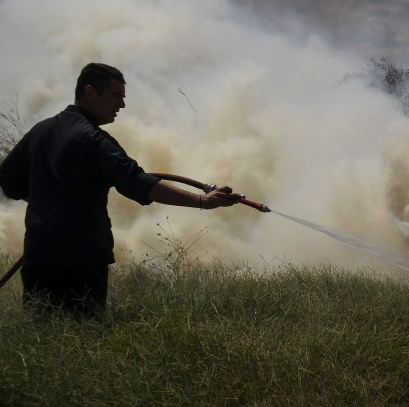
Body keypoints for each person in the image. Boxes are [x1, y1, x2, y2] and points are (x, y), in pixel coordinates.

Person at [0, 63, 242, 319]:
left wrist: (48, 200)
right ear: (91, 92)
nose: (122, 105)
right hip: (81, 262)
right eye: (116, 96)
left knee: (42, 339)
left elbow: (8, 180)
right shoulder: (95, 140)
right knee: (84, 338)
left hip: (38, 256)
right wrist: (202, 201)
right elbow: (137, 183)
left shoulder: (40, 131)